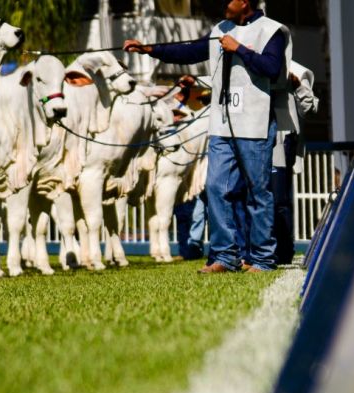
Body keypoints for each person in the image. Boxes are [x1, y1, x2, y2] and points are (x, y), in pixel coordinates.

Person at [125, 0, 291, 273]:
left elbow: (272, 69)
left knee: (257, 193)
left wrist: (240, 49)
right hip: (222, 124)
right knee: (215, 187)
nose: (222, 4)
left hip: (255, 123)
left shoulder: (271, 30)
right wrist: (149, 49)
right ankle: (224, 257)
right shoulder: (219, 30)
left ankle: (262, 258)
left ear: (244, 2)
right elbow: (188, 51)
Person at [271, 61, 319, 264]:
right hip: (252, 137)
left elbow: (310, 108)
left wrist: (298, 85)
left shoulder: (297, 69)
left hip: (282, 139)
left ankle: (283, 251)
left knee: (278, 199)